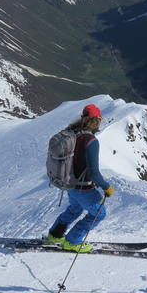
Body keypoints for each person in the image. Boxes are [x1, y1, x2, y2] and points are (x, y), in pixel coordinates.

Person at [46, 104, 115, 253]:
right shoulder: (91, 141)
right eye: (99, 119)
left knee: (75, 209)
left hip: (70, 184)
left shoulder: (72, 134)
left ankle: (55, 235)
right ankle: (72, 242)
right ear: (96, 120)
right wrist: (106, 187)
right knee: (99, 213)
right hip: (84, 188)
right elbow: (95, 173)